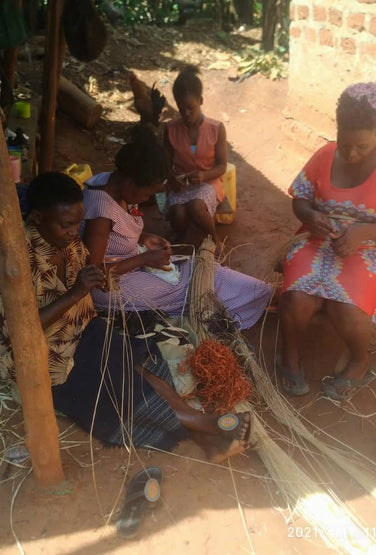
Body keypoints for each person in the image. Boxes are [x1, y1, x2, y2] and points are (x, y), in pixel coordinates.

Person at [0, 172, 255, 462]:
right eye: (67, 225)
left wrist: (108, 274)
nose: (74, 232)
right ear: (36, 218)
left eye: (77, 223)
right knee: (116, 391)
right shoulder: (16, 261)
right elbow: (17, 331)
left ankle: (203, 433)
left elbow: (90, 276)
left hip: (82, 329)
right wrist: (75, 293)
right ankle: (203, 427)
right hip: (46, 355)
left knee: (139, 366)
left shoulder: (68, 243)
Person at [279, 82, 376, 400]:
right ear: (337, 130)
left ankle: (359, 360)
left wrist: (361, 233)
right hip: (318, 242)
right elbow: (299, 200)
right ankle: (288, 356)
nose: (352, 153)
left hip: (373, 248)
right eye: (345, 144)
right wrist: (312, 217)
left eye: (362, 146)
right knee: (296, 299)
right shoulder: (324, 155)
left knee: (346, 309)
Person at [81, 126, 273, 329]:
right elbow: (94, 275)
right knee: (193, 286)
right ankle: (263, 296)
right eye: (147, 194)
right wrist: (143, 259)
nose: (147, 200)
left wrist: (143, 237)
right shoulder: (100, 212)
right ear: (130, 183)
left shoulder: (112, 181)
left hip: (130, 262)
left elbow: (116, 230)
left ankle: (264, 294)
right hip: (112, 286)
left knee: (197, 268)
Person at [163, 65, 227, 247]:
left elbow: (222, 166)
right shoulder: (169, 129)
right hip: (181, 185)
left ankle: (215, 240)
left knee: (196, 207)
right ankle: (183, 239)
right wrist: (172, 179)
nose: (186, 114)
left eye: (191, 108)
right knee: (177, 214)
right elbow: (165, 165)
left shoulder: (216, 128)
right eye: (181, 109)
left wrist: (203, 176)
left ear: (201, 100)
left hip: (209, 182)